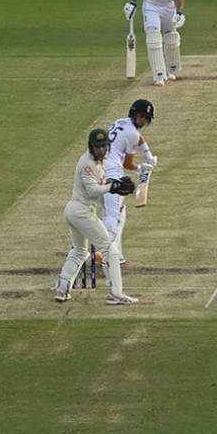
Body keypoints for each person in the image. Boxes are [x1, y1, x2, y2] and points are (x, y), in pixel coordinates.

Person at [55, 128, 139, 305]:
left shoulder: (102, 161)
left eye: (103, 146)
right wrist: (112, 187)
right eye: (97, 147)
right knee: (110, 251)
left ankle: (62, 288)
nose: (101, 150)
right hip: (81, 212)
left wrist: (115, 184)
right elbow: (93, 190)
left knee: (80, 251)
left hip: (77, 211)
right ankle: (115, 294)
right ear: (90, 147)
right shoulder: (87, 163)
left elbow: (100, 185)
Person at [102, 99, 158, 265]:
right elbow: (128, 164)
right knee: (114, 215)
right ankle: (105, 254)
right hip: (112, 173)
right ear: (136, 115)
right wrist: (142, 169)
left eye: (146, 119)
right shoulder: (132, 133)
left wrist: (147, 153)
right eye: (143, 118)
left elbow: (138, 137)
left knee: (118, 211)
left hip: (100, 168)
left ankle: (116, 254)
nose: (144, 121)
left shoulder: (120, 122)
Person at [124, 0, 186, 87]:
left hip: (168, 7)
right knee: (153, 35)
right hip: (151, 6)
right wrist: (133, 2)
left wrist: (180, 10)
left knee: (171, 37)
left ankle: (172, 70)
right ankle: (158, 74)